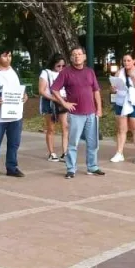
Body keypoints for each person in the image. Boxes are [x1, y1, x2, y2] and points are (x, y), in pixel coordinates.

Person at [51, 46, 105, 179]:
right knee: (73, 143)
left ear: (84, 57)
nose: (77, 56)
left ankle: (92, 167)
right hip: (75, 114)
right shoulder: (65, 72)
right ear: (71, 57)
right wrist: (64, 103)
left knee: (93, 143)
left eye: (79, 54)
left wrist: (99, 108)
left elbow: (96, 91)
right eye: (74, 54)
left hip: (91, 113)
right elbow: (54, 89)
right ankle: (71, 169)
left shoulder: (90, 72)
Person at [0, 47, 26, 181]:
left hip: (15, 114)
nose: (8, 59)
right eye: (4, 56)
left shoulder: (14, 71)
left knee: (14, 143)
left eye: (10, 56)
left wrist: (24, 96)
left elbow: (21, 89)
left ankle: (12, 167)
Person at [109, 54, 135, 163]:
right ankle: (119, 153)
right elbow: (112, 89)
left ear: (134, 61)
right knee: (121, 129)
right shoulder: (119, 72)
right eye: (124, 60)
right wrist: (113, 89)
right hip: (121, 102)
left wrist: (133, 77)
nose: (126, 63)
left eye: (129, 60)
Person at [38, 54, 69, 162]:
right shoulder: (46, 73)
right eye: (58, 66)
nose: (61, 68)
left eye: (63, 66)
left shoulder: (64, 73)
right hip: (50, 101)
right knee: (51, 128)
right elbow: (41, 91)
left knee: (65, 126)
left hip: (63, 100)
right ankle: (51, 153)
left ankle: (65, 152)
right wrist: (55, 99)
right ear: (53, 64)